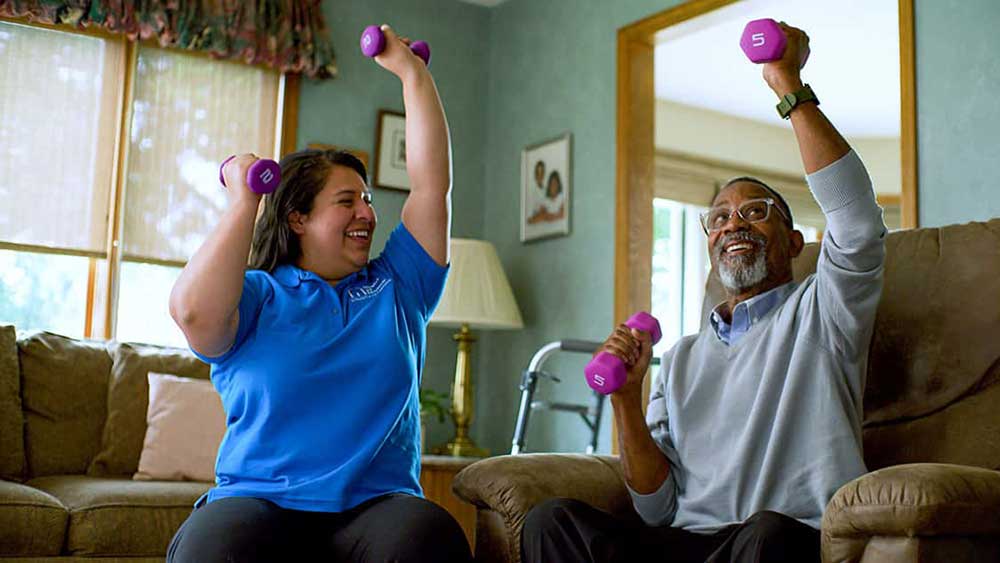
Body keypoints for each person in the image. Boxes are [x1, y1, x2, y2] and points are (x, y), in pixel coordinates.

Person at [522, 22, 886, 563]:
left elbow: (855, 218)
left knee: (768, 535)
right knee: (551, 522)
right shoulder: (683, 358)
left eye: (754, 213)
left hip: (776, 541)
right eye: (718, 218)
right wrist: (626, 399)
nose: (732, 224)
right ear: (710, 243)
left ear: (792, 242)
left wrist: (787, 83)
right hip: (689, 546)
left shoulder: (824, 311)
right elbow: (656, 509)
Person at [166, 24, 471, 563]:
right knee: (213, 548)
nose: (368, 213)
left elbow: (430, 186)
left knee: (429, 537)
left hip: (377, 507)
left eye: (368, 199)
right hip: (258, 501)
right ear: (298, 218)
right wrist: (244, 201)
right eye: (346, 201)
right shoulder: (255, 296)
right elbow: (192, 311)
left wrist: (411, 74)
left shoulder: (399, 286)